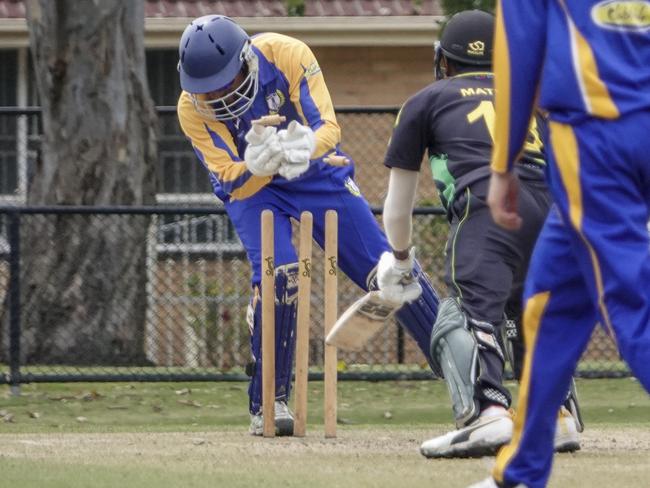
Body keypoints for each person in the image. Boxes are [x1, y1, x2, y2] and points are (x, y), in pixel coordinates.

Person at [176, 15, 439, 436]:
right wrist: (256, 166)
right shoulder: (191, 109)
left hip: (312, 172)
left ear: (247, 59)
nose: (221, 95)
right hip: (254, 190)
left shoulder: (287, 53)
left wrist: (304, 148)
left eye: (227, 81)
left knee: (390, 269)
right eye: (210, 89)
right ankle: (269, 400)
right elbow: (228, 178)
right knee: (279, 272)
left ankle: (460, 365)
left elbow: (328, 129)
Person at [376, 9, 581, 459]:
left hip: (487, 208)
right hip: (553, 215)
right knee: (535, 313)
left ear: (443, 61)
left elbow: (398, 205)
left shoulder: (426, 100)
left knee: (463, 314)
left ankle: (488, 412)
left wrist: (401, 257)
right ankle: (555, 415)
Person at [469, 1, 650, 487]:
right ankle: (523, 471)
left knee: (629, 301)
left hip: (594, 139)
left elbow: (519, 54)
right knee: (553, 303)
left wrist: (504, 163)